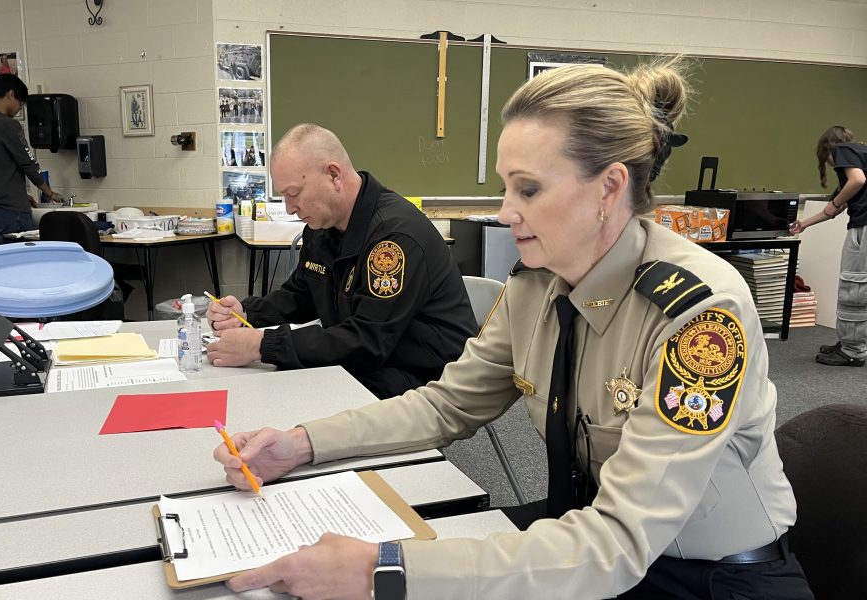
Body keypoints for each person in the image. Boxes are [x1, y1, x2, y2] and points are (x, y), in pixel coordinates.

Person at [213, 63, 814, 599]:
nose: (505, 211)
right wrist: (300, 443)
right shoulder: (537, 286)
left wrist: (384, 571)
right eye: (505, 186)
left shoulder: (700, 317)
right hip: (582, 538)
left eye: (528, 188)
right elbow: (446, 404)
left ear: (609, 188)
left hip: (703, 576)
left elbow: (618, 544)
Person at [207, 124, 477, 399]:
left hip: (425, 377)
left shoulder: (394, 239)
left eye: (294, 193)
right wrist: (246, 314)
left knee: (292, 394)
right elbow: (301, 294)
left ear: (334, 175)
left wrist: (263, 345)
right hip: (376, 363)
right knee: (278, 385)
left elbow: (367, 341)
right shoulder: (322, 227)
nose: (289, 208)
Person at [789, 126, 867, 367]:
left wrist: (836, 201)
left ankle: (853, 350)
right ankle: (850, 342)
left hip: (864, 226)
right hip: (861, 224)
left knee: (854, 286)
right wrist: (804, 224)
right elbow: (833, 209)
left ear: (828, 148)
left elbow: (857, 181)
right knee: (857, 285)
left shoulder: (844, 150)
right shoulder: (861, 156)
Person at [0, 73, 63, 245]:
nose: (20, 109)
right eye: (20, 103)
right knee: (21, 259)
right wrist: (50, 193)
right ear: (10, 94)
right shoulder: (7, 124)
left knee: (3, 257)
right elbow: (28, 162)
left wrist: (22, 194)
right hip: (13, 212)